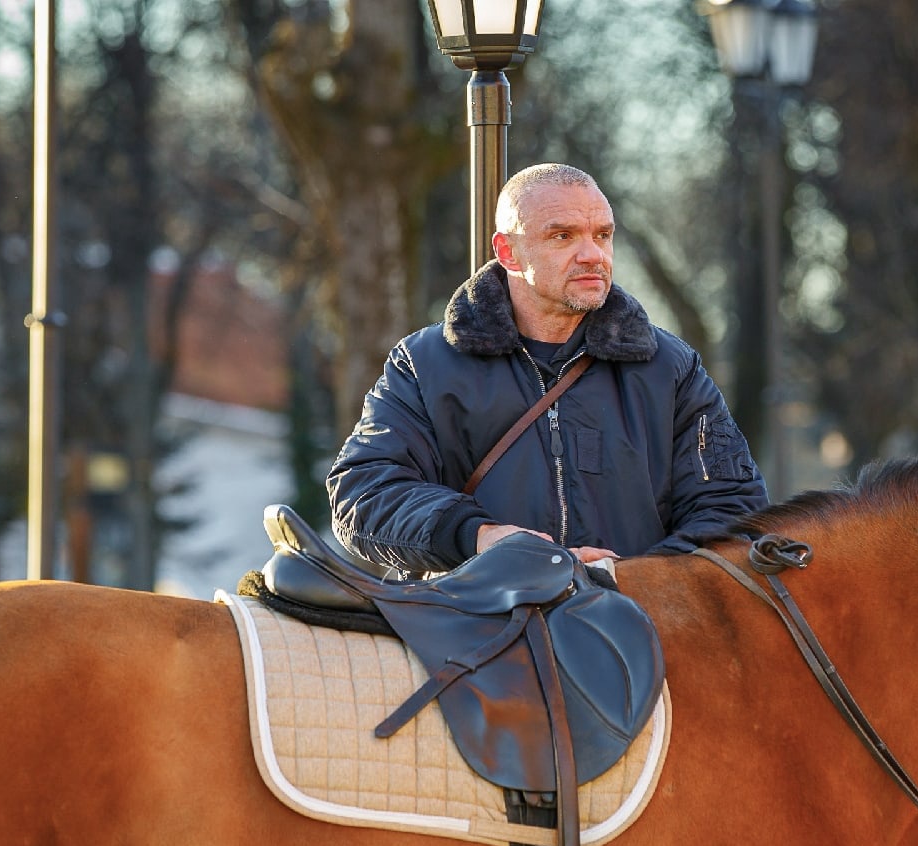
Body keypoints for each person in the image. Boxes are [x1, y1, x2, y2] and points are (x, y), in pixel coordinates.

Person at [327, 163, 769, 577]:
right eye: (563, 236)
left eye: (602, 234)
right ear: (508, 251)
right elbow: (364, 493)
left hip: (637, 637)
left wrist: (628, 582)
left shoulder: (670, 367)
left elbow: (734, 509)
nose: (592, 254)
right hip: (472, 637)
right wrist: (482, 538)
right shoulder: (425, 363)